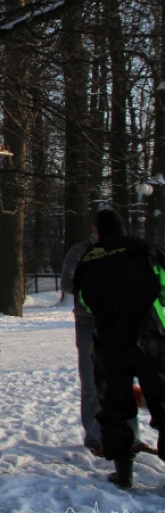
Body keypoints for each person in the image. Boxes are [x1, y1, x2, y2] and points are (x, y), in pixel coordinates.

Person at [73, 208, 165, 488]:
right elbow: (162, 285)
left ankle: (123, 474)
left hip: (109, 344)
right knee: (163, 402)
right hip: (150, 340)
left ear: (97, 230)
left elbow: (85, 302)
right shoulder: (145, 249)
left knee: (116, 408)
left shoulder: (88, 259)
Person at [61, 232, 149, 458]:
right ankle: (94, 438)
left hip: (118, 323)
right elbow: (68, 282)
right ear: (95, 230)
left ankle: (132, 437)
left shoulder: (122, 249)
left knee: (122, 381)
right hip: (88, 324)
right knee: (91, 382)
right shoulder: (79, 252)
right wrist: (98, 287)